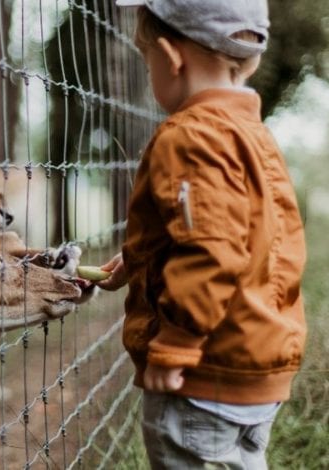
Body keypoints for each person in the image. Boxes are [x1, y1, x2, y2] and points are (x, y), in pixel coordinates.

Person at [96, 1, 307, 468]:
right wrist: (135, 261)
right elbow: (240, 232)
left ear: (171, 58)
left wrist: (177, 343)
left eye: (146, 57)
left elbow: (211, 248)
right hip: (255, 364)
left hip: (202, 371)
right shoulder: (252, 134)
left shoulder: (189, 136)